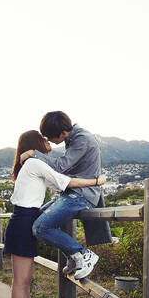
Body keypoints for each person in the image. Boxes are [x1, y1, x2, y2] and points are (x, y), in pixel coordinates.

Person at [5, 130, 106, 298]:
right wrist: (96, 181)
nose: (48, 141)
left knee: (24, 283)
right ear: (36, 143)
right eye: (43, 139)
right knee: (21, 284)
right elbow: (65, 182)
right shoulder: (34, 163)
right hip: (23, 222)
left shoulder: (31, 165)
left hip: (24, 220)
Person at [19, 111, 112, 281]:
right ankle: (73, 256)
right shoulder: (72, 138)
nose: (49, 141)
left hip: (81, 195)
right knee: (38, 218)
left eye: (50, 137)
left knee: (40, 227)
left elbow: (61, 166)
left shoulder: (82, 139)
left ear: (63, 133)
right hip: (71, 193)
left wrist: (34, 153)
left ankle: (83, 255)